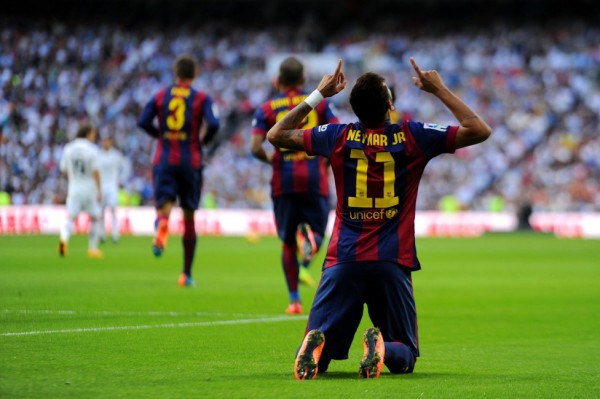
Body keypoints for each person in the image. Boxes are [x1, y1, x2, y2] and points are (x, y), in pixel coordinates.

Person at [267, 58, 492, 379]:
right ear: (390, 104)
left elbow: (277, 134)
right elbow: (479, 130)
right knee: (405, 353)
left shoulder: (336, 136)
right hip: (391, 260)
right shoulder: (414, 136)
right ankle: (384, 347)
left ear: (355, 108)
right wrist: (438, 89)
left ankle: (316, 347)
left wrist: (319, 94)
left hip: (343, 259)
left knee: (323, 350)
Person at [250, 56, 340, 315]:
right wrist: (323, 163)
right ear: (302, 80)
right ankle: (310, 240)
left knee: (287, 242)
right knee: (320, 234)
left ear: (278, 80)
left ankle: (294, 300)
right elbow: (336, 135)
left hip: (283, 180)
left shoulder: (267, 108)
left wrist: (271, 160)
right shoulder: (320, 104)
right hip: (314, 178)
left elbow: (255, 146)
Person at [137, 54, 220, 287]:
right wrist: (203, 141)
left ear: (175, 74)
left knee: (163, 207)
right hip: (190, 161)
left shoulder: (161, 95)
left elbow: (143, 121)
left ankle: (162, 224)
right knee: (189, 217)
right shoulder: (201, 98)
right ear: (194, 75)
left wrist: (160, 136)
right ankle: (186, 274)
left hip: (163, 159)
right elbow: (214, 124)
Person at [58, 125, 104, 259]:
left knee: (70, 218)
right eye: (93, 134)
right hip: (89, 189)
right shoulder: (92, 149)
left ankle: (63, 240)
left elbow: (63, 169)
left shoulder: (68, 148)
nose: (94, 137)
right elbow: (95, 172)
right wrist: (99, 190)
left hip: (74, 188)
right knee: (96, 218)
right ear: (88, 133)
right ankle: (93, 249)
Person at [97, 136, 131, 243]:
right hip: (101, 185)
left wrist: (121, 179)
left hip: (112, 185)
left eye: (107, 141)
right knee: (101, 211)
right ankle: (102, 234)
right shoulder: (98, 155)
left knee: (113, 209)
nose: (105, 143)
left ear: (111, 142)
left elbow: (126, 166)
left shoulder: (116, 155)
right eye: (104, 141)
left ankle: (115, 234)